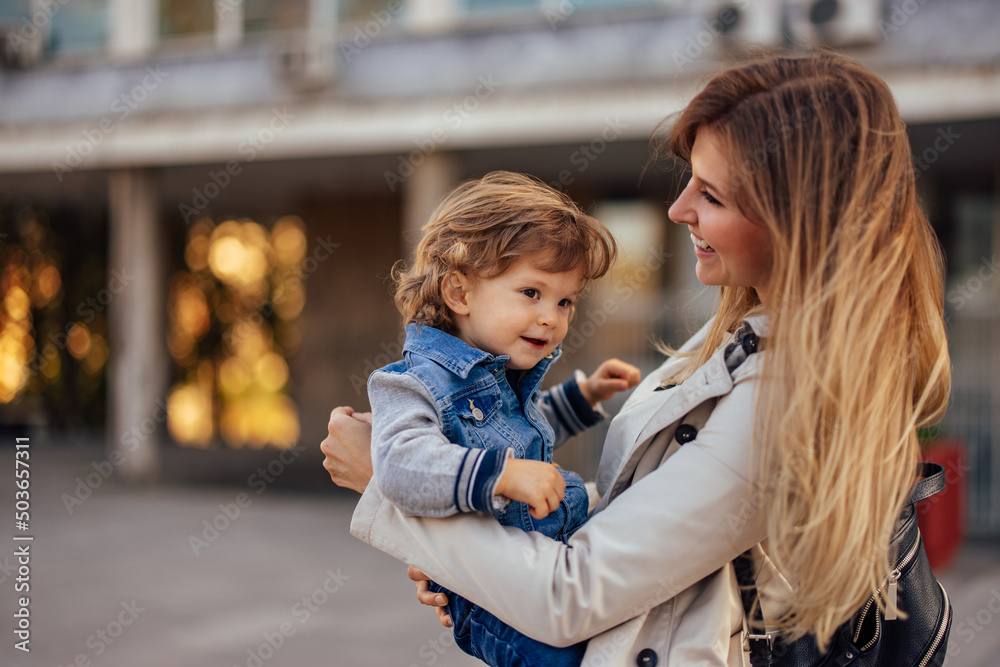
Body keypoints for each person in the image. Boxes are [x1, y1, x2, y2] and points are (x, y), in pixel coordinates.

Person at [323, 51, 951, 666]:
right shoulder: (749, 335)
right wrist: (481, 561)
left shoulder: (789, 396)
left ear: (798, 218)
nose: (679, 209)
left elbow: (569, 595)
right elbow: (649, 514)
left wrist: (387, 488)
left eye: (713, 195)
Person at [366, 171, 642, 666]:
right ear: (459, 292)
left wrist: (585, 395)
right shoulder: (410, 383)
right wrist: (503, 476)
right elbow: (399, 466)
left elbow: (520, 435)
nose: (551, 318)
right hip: (493, 600)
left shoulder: (503, 373)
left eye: (565, 302)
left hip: (543, 574)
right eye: (531, 293)